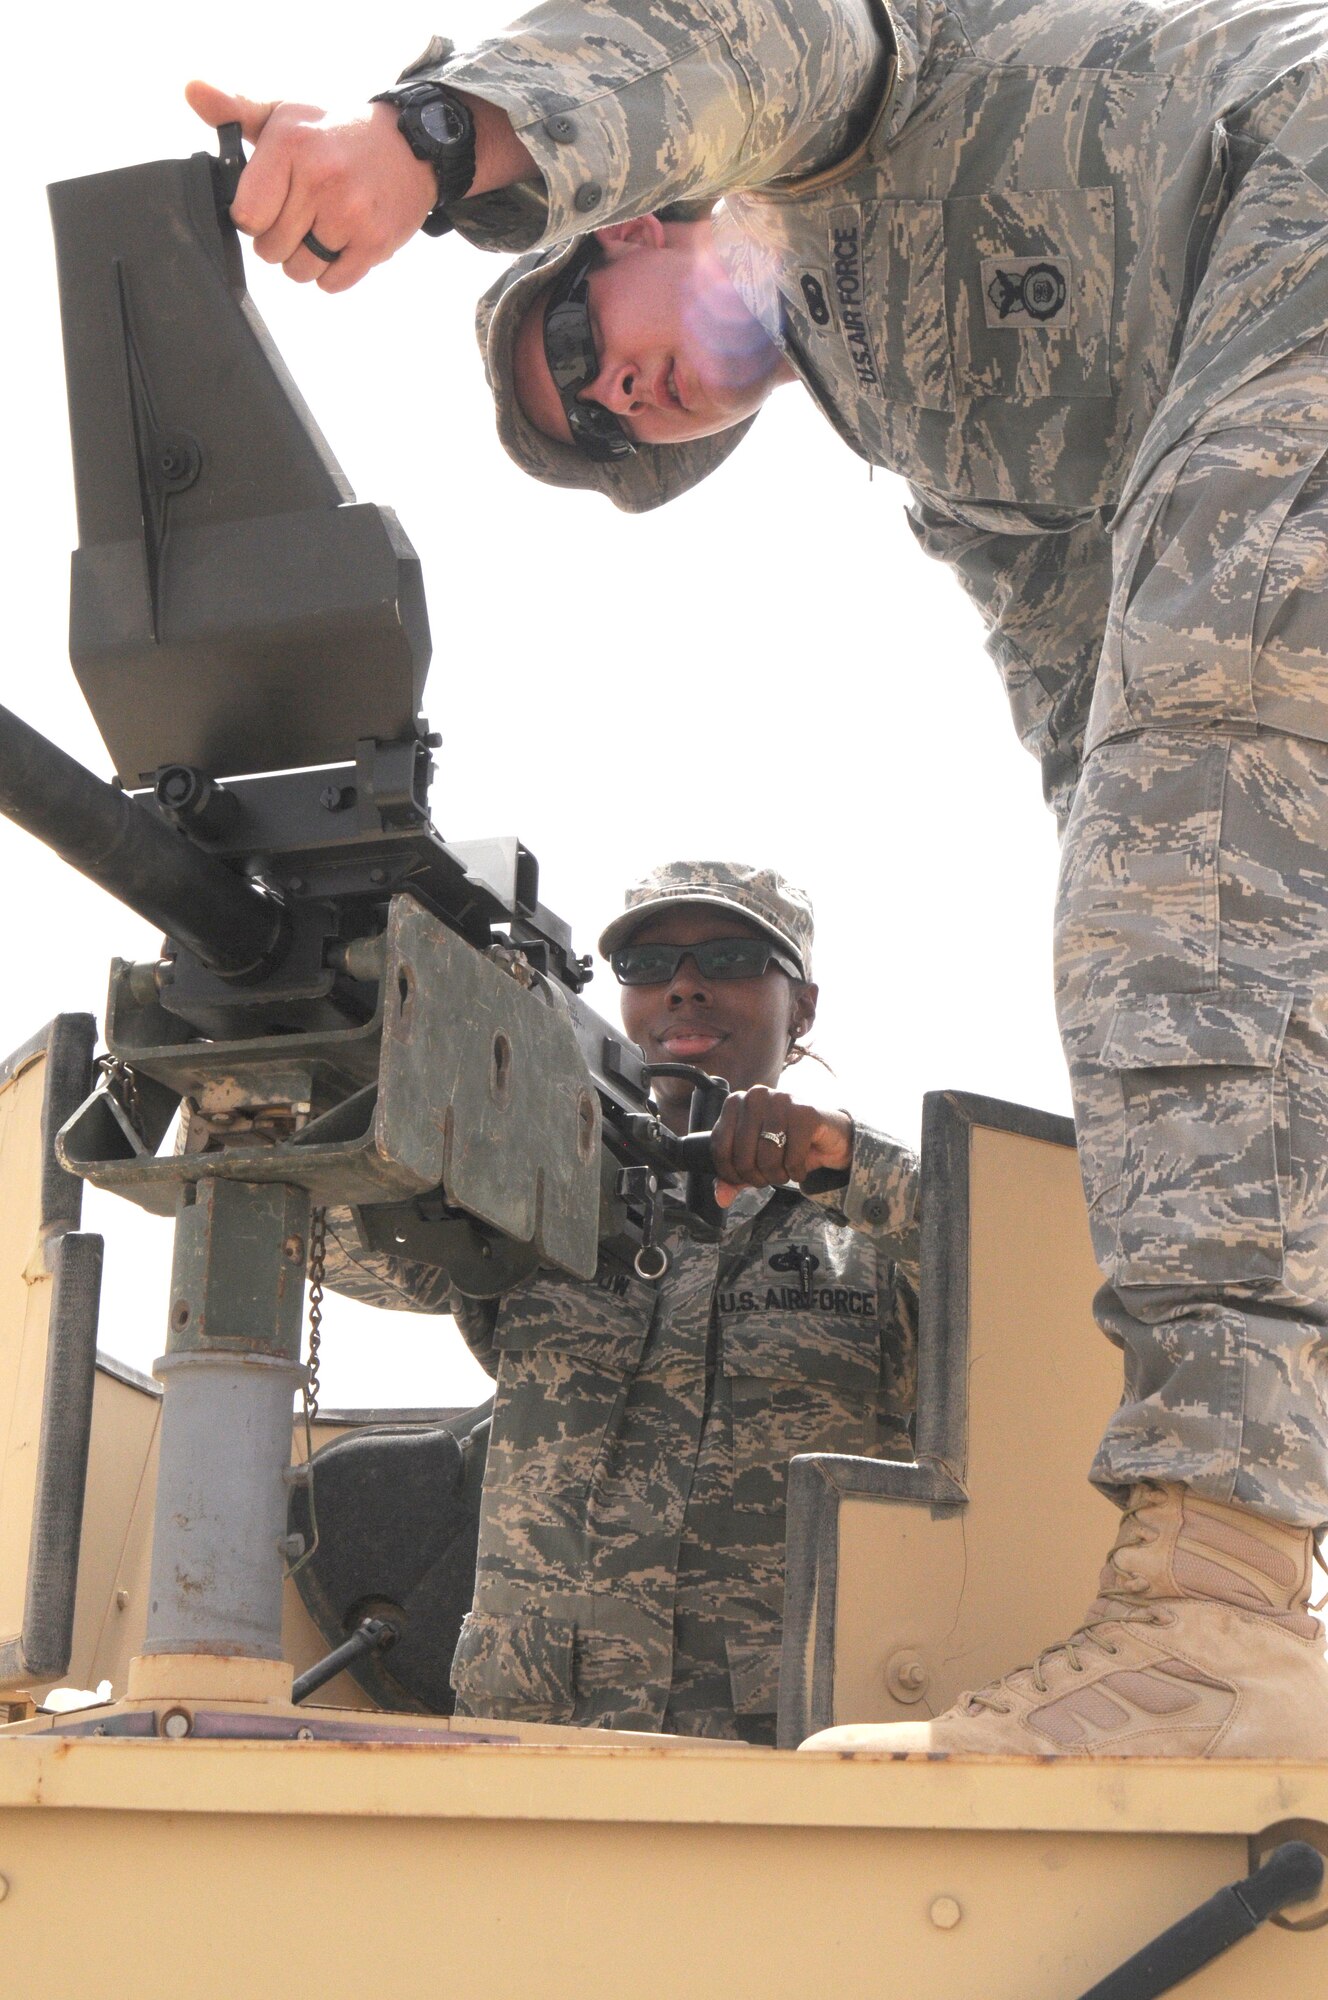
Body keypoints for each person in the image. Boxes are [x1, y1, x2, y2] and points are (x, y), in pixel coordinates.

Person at [188, 0, 1328, 1758]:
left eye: (572, 334)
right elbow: (1091, 735)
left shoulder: (810, 160)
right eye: (592, 439)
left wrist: (436, 144)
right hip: (563, 1735)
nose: (604, 399)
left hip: (1292, 196)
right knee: (1182, 913)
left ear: (632, 211)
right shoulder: (940, 452)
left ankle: (1213, 1604)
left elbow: (745, 32)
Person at [321, 861, 919, 1741]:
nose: (684, 988)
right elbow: (321, 1222)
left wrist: (839, 1160)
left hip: (782, 1763)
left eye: (730, 958)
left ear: (805, 1006)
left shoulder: (868, 1236)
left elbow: (1045, 1259)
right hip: (531, 1743)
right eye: (646, 969)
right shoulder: (533, 1198)